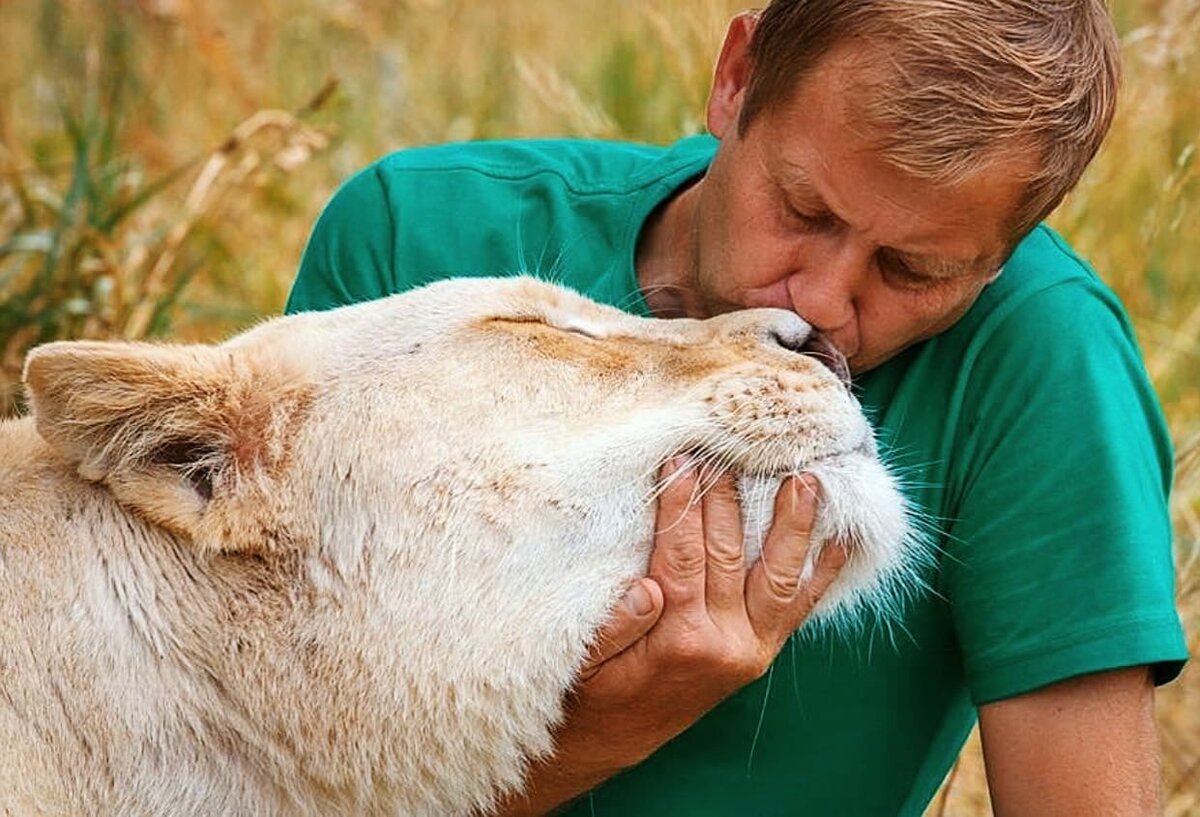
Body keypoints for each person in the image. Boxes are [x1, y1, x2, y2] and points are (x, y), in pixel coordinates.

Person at [285, 1, 1188, 813]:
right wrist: (615, 724)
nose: (822, 304)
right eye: (803, 210)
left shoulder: (1043, 357)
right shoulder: (419, 242)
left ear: (1001, 257)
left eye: (914, 270)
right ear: (735, 79)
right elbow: (261, 768)